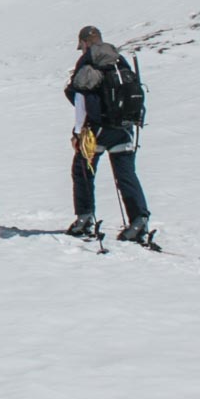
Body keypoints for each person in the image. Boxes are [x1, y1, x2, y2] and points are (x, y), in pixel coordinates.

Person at [64, 26, 150, 241]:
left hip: (98, 129)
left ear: (84, 43)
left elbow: (81, 98)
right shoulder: (119, 60)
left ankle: (84, 218)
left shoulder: (88, 62)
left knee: (82, 170)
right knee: (126, 175)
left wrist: (78, 132)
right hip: (125, 127)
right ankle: (138, 220)